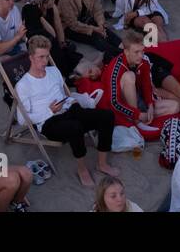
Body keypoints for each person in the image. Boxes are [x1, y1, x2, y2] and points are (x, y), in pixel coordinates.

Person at [14, 36, 117, 187]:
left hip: (69, 109)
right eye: (40, 57)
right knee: (75, 127)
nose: (45, 61)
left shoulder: (53, 71)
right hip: (48, 122)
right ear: (31, 57)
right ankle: (82, 170)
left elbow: (63, 95)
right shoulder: (23, 85)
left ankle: (102, 164)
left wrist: (71, 100)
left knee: (107, 116)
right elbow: (23, 120)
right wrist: (49, 111)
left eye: (47, 56)